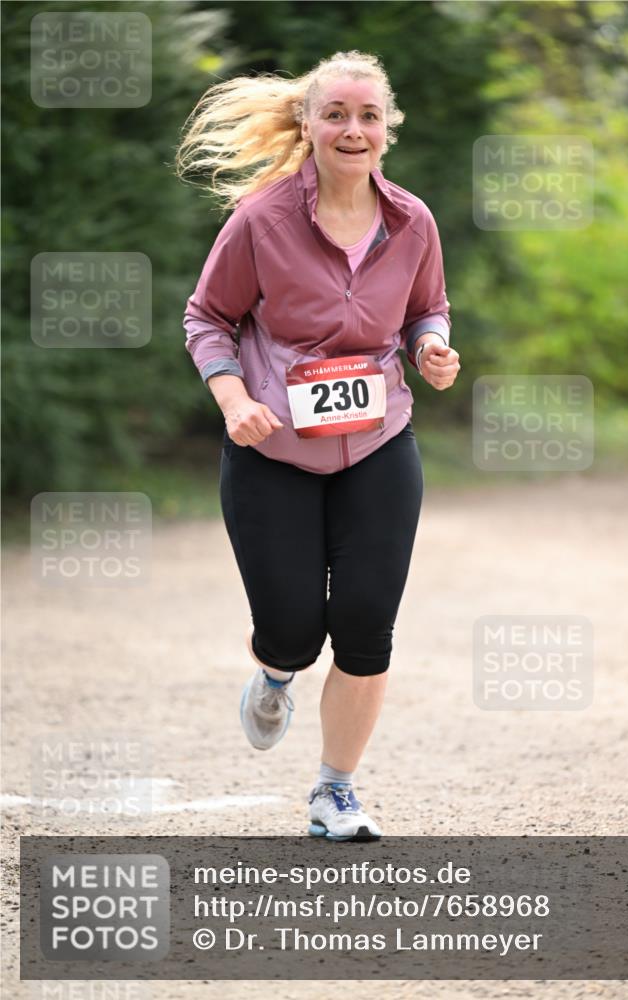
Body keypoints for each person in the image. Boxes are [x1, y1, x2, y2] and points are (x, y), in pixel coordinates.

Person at [178, 50, 460, 841]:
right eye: (335, 114)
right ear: (307, 125)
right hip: (273, 450)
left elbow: (427, 307)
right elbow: (207, 318)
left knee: (367, 625)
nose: (352, 129)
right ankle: (276, 669)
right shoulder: (261, 220)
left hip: (378, 443)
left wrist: (431, 346)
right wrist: (233, 401)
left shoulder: (411, 221)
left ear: (387, 129)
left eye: (367, 116)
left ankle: (334, 791)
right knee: (295, 630)